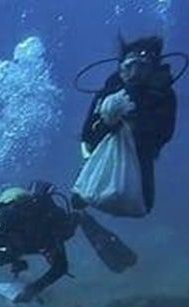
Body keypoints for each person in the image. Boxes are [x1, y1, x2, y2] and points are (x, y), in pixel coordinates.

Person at [75, 35, 178, 215]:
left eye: (142, 66)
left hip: (140, 153)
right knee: (82, 195)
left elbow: (164, 134)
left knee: (144, 203)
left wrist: (136, 121)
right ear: (121, 66)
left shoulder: (162, 93)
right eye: (129, 66)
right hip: (104, 144)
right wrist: (108, 121)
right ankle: (87, 187)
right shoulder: (113, 86)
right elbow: (87, 133)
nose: (134, 73)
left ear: (153, 68)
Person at [0, 182, 77, 307]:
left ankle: (82, 216)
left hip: (41, 240)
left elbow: (61, 267)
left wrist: (33, 290)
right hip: (26, 246)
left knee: (69, 227)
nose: (13, 221)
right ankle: (20, 270)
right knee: (13, 262)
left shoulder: (46, 225)